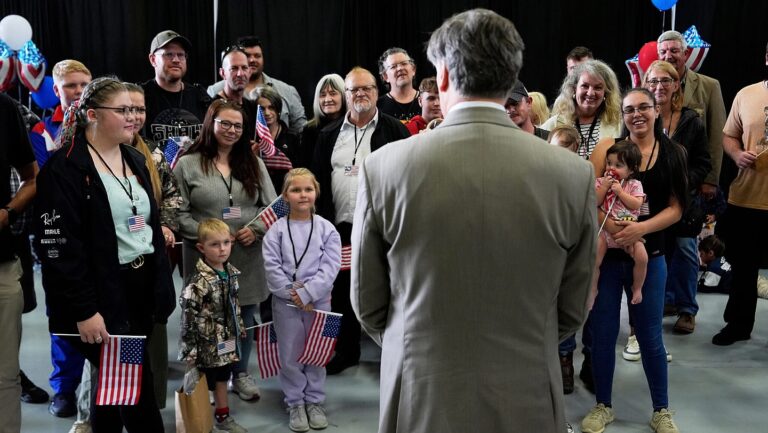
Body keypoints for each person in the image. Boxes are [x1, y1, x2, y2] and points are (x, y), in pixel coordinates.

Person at [351, 9, 596, 432]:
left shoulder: (383, 168)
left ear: (442, 75)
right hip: (528, 392)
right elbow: (573, 309)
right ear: (511, 76)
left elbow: (368, 303)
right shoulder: (572, 174)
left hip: (420, 392)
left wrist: (414, 345)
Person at [34, 76, 176, 432]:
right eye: (123, 110)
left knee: (115, 389)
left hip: (139, 288)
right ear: (93, 115)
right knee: (136, 388)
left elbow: (145, 221)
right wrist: (85, 311)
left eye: (136, 109)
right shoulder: (64, 169)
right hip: (102, 296)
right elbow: (60, 252)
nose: (134, 117)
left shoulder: (133, 157)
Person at [582, 88, 687, 433]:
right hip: (609, 256)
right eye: (629, 109)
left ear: (657, 110)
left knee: (650, 336)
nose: (637, 114)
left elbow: (676, 209)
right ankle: (603, 405)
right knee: (602, 332)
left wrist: (638, 229)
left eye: (644, 107)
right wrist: (615, 228)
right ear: (622, 113)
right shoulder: (607, 150)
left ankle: (661, 409)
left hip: (650, 253)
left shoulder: (672, 153)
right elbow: (589, 198)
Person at [173, 99, 277, 401]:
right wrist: (210, 237)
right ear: (211, 124)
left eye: (238, 126)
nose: (232, 130)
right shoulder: (187, 163)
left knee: (243, 317)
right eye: (225, 124)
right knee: (207, 319)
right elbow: (178, 213)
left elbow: (272, 205)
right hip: (204, 257)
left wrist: (256, 229)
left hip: (247, 252)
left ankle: (239, 373)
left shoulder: (252, 162)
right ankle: (205, 377)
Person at [311, 67, 409, 375]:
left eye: (366, 88)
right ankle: (346, 351)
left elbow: (407, 178)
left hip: (383, 226)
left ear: (377, 92)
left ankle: (393, 353)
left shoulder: (395, 131)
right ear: (346, 95)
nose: (360, 94)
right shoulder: (327, 135)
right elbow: (316, 182)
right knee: (341, 292)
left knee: (389, 289)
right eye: (353, 90)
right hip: (339, 227)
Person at [262, 168, 341, 432]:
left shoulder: (326, 229)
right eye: (296, 190)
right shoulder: (276, 231)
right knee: (291, 354)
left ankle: (314, 400)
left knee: (317, 353)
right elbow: (272, 268)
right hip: (286, 304)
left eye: (308, 189)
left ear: (316, 192)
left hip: (319, 303)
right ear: (285, 195)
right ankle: (295, 401)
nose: (303, 195)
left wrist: (308, 294)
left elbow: (330, 268)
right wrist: (295, 296)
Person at [643, 60, 711, 335]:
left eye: (665, 81)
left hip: (683, 200)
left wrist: (685, 182)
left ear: (675, 85)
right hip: (649, 200)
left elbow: (703, 162)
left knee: (684, 250)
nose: (659, 86)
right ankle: (665, 302)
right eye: (653, 81)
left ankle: (686, 309)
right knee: (656, 251)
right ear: (646, 85)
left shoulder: (691, 120)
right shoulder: (641, 113)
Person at [711, 43, 768, 346]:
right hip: (747, 197)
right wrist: (736, 155)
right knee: (744, 268)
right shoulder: (746, 95)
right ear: (767, 57)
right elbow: (728, 135)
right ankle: (738, 326)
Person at [179, 218, 247, 433]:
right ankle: (201, 422)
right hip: (204, 346)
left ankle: (223, 416)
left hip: (225, 342)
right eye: (215, 244)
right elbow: (188, 317)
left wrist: (240, 329)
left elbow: (234, 305)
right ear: (201, 247)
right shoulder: (197, 282)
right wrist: (189, 348)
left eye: (226, 243)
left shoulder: (231, 274)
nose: (222, 249)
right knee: (202, 386)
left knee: (222, 379)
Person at [1, 92, 38, 433]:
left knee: (4, 375)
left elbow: (31, 177)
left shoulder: (4, 108)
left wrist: (8, 212)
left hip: (2, 264)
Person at [657, 30, 726, 201]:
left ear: (685, 54)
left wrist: (710, 179)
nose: (668, 56)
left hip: (693, 179)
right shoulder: (652, 86)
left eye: (674, 50)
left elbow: (717, 136)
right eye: (663, 52)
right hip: (657, 178)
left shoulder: (710, 86)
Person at [207, 36, 307, 134]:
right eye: (247, 56)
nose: (252, 60)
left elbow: (300, 130)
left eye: (257, 56)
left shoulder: (287, 90)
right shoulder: (214, 91)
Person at [592, 141, 647, 308]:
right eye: (609, 163)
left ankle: (637, 288)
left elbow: (636, 205)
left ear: (631, 169)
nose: (611, 168)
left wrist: (620, 193)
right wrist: (605, 187)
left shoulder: (634, 184)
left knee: (642, 257)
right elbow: (595, 202)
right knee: (593, 259)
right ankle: (592, 287)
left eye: (618, 165)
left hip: (629, 232)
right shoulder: (600, 182)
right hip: (604, 234)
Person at [542, 59, 622, 159]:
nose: (590, 93)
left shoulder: (618, 125)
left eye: (598, 87)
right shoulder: (553, 124)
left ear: (606, 93)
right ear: (574, 89)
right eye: (585, 86)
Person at [141, 30, 211, 143]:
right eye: (169, 54)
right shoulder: (141, 96)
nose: (176, 60)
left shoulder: (201, 97)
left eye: (181, 55)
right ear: (153, 59)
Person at [253, 85, 301, 193]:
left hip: (286, 194)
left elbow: (299, 172)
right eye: (262, 108)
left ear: (278, 109)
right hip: (259, 193)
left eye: (271, 108)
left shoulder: (292, 137)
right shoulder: (251, 138)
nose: (267, 113)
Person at [302, 74, 347, 167]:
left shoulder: (352, 126)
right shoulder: (309, 130)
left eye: (333, 93)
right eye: (322, 95)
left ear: (344, 96)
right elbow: (306, 167)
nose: (327, 99)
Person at [376, 47, 420, 122]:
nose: (400, 68)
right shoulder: (377, 107)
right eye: (393, 66)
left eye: (404, 63)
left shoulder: (428, 99)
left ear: (413, 70)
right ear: (385, 76)